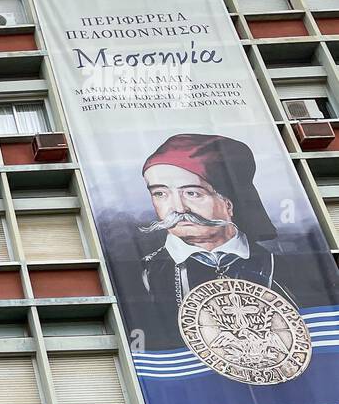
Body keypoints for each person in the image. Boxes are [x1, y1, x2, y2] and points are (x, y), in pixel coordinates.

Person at [129, 133, 324, 350]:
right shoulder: (144, 274)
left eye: (192, 193)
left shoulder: (286, 267)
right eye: (160, 194)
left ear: (229, 203)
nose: (177, 208)